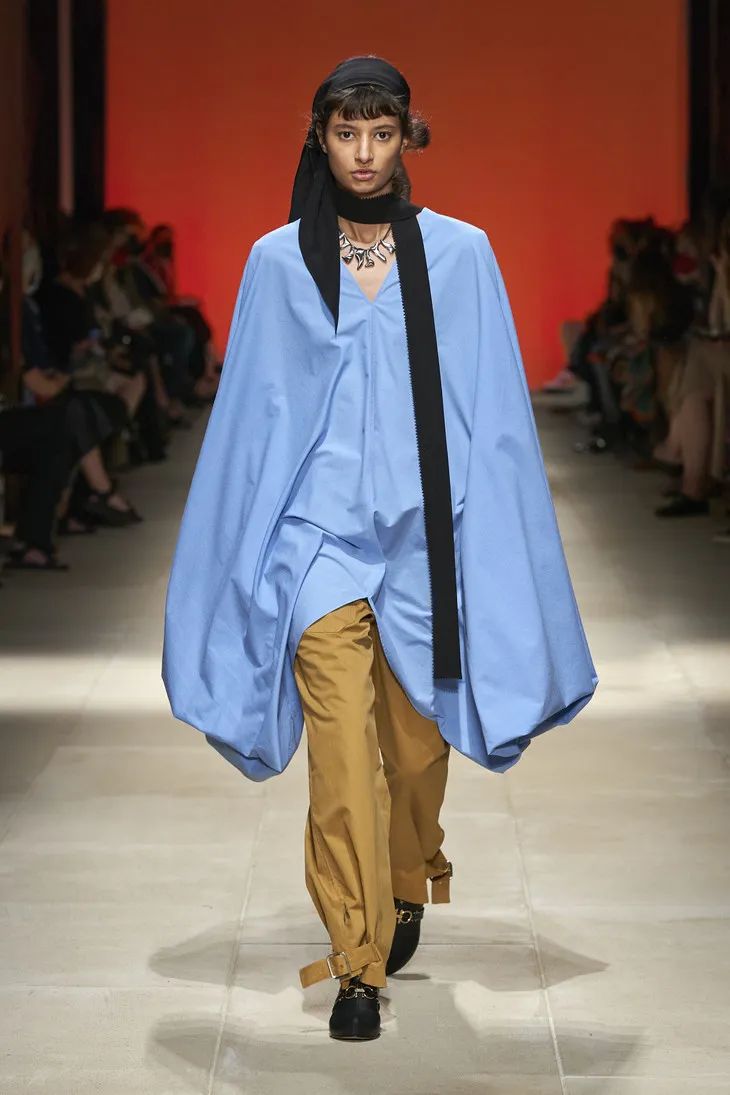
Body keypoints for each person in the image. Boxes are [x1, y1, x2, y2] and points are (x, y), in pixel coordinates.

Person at [162, 55, 598, 1042]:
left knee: (413, 750)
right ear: (319, 138)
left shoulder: (461, 254)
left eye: (381, 132)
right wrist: (228, 560)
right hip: (316, 545)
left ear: (407, 138)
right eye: (345, 133)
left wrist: (502, 548)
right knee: (341, 755)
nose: (363, 153)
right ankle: (356, 965)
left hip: (421, 544)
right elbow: (249, 421)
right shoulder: (279, 262)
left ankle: (407, 871)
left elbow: (493, 413)